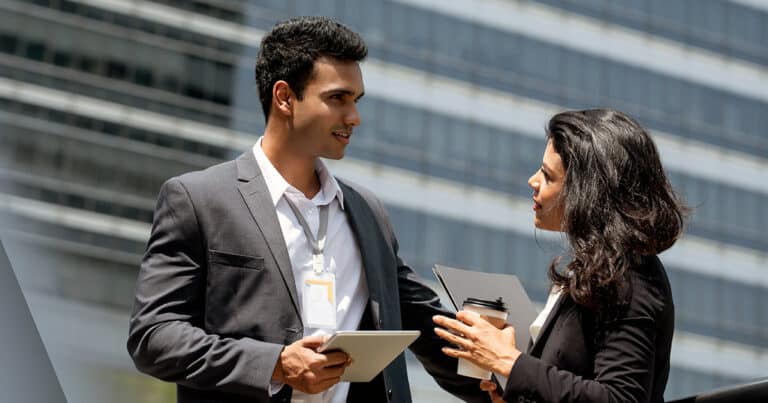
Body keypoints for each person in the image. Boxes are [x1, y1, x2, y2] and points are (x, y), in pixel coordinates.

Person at [127, 16, 486, 403]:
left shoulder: (368, 213)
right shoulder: (199, 199)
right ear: (284, 97)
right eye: (338, 98)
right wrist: (276, 364)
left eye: (356, 100)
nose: (354, 117)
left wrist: (510, 377)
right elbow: (154, 336)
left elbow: (430, 327)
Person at [433, 109, 687, 403]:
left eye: (547, 175)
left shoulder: (630, 278)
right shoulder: (600, 272)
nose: (533, 181)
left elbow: (621, 398)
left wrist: (508, 363)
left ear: (585, 192)